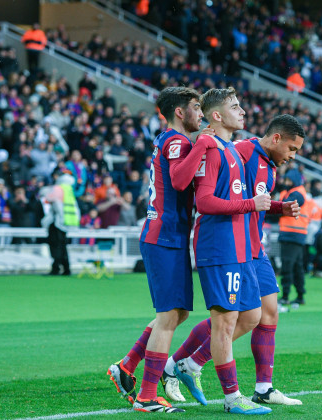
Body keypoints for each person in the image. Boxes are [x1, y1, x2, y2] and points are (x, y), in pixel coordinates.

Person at [165, 114, 305, 409]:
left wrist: (280, 207)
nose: (292, 156)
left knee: (267, 315)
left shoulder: (270, 165)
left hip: (255, 247)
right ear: (276, 138)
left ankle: (263, 388)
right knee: (229, 317)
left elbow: (254, 203)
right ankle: (183, 364)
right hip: (232, 247)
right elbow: (217, 195)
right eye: (292, 149)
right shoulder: (239, 151)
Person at [106, 87, 222, 413]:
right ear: (181, 112)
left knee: (178, 313)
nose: (202, 114)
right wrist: (202, 144)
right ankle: (146, 395)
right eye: (197, 108)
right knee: (168, 317)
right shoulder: (177, 141)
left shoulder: (171, 140)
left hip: (169, 236)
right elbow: (180, 180)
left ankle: (127, 366)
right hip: (163, 236)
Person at [175, 87, 272, 415]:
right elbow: (203, 202)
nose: (242, 111)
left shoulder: (230, 148)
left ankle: (189, 364)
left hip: (241, 247)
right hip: (220, 248)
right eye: (234, 106)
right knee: (225, 322)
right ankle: (232, 398)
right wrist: (250, 204)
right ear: (216, 116)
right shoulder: (213, 148)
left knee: (252, 316)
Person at [40, 170, 80, 276]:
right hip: (66, 222)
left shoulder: (59, 188)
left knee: (56, 246)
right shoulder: (69, 189)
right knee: (63, 246)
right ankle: (66, 268)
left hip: (57, 222)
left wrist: (45, 190)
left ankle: (56, 268)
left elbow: (49, 197)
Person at [278, 170, 309, 305]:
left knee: (287, 266)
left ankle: (285, 296)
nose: (286, 183)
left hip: (291, 234)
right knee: (297, 267)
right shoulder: (297, 192)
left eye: (289, 180)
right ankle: (300, 295)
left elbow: (285, 207)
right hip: (297, 234)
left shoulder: (296, 193)